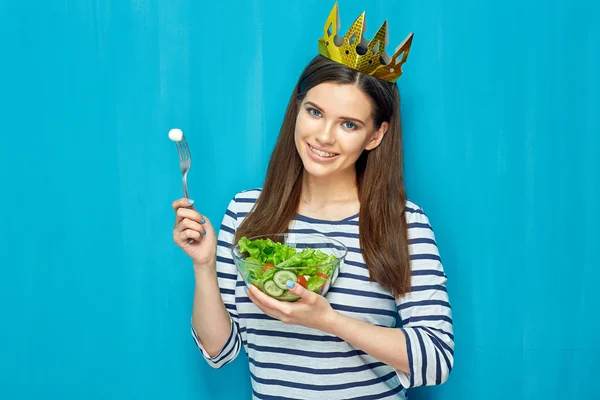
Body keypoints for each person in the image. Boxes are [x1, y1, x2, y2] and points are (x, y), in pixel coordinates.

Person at [172, 4, 453, 399]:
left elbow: (436, 359)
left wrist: (330, 321)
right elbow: (220, 351)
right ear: (297, 109)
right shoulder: (246, 213)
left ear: (375, 136)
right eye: (315, 112)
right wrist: (203, 266)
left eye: (349, 124)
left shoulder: (402, 222)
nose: (323, 136)